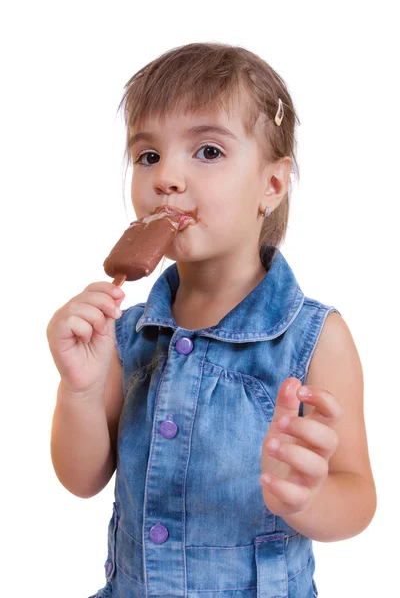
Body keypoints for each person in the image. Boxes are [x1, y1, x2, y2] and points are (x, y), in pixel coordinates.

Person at [47, 42, 376, 598]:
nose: (167, 177)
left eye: (206, 151)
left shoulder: (316, 339)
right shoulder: (125, 335)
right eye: (148, 156)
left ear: (271, 185)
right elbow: (81, 479)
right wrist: (77, 390)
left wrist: (310, 499)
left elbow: (359, 497)